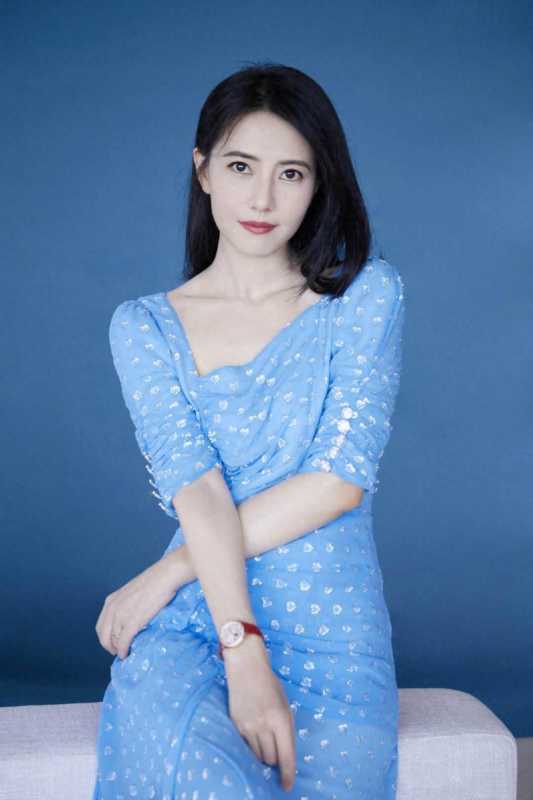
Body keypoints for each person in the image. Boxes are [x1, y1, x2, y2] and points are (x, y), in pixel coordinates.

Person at [92, 61, 406, 799]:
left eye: (291, 174)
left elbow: (336, 483)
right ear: (202, 170)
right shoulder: (145, 328)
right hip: (195, 628)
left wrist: (171, 569)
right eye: (240, 166)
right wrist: (240, 645)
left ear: (318, 185)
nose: (262, 198)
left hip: (330, 632)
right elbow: (195, 486)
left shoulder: (364, 297)